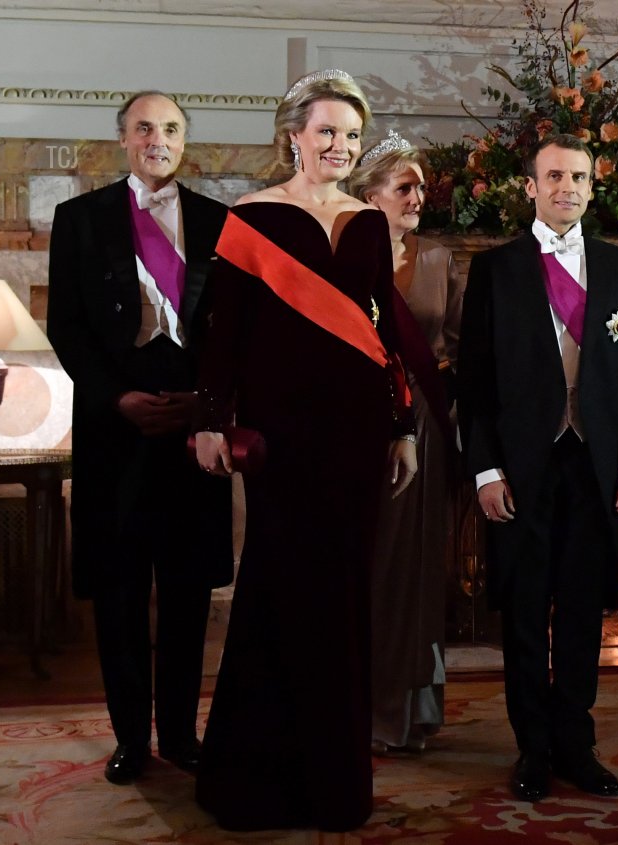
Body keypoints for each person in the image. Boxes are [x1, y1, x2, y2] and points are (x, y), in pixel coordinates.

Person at [191, 69, 417, 832]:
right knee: (279, 590)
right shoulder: (249, 220)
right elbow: (223, 337)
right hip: (283, 439)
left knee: (345, 598)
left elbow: (384, 335)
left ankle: (334, 783)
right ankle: (254, 781)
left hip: (355, 436)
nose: (340, 147)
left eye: (352, 136)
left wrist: (404, 426)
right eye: (327, 132)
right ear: (293, 135)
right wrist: (211, 420)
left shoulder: (367, 224)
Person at [457, 134, 618, 802]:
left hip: (596, 469)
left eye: (578, 176)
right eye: (553, 176)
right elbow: (475, 383)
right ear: (531, 187)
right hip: (521, 469)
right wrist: (486, 471)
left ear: (593, 187)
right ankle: (532, 747)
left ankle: (577, 740)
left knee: (581, 613)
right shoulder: (497, 269)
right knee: (522, 611)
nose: (566, 186)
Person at [47, 90, 233, 786]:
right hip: (114, 429)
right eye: (145, 127)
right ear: (123, 138)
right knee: (121, 592)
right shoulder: (81, 219)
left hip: (192, 429)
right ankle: (131, 737)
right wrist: (115, 396)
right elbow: (65, 324)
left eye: (172, 129)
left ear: (185, 141)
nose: (158, 138)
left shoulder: (219, 221)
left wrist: (208, 404)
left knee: (186, 591)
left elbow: (230, 331)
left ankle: (182, 733)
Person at [350, 131, 464, 753]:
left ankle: (410, 710)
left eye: (421, 186)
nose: (418, 196)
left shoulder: (438, 259)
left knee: (417, 567)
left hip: (422, 423)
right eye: (405, 187)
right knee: (369, 564)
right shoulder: (342, 254)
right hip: (361, 425)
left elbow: (456, 343)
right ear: (370, 198)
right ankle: (361, 707)